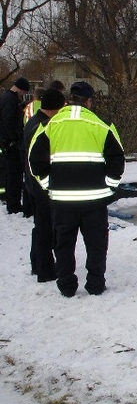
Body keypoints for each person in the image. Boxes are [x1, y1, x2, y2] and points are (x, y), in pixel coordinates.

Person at [29, 82, 125, 297]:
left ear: (68, 99)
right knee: (96, 245)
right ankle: (95, 284)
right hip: (95, 201)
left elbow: (35, 161)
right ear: (89, 101)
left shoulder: (50, 125)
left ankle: (66, 286)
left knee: (63, 244)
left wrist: (48, 187)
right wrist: (109, 188)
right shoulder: (102, 125)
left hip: (62, 201)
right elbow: (117, 160)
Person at [23, 89, 66, 282]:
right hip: (40, 185)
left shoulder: (33, 122)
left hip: (32, 183)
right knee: (46, 228)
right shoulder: (43, 126)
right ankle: (46, 270)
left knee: (40, 227)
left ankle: (37, 263)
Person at [0, 77, 30, 214]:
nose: (23, 95)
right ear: (20, 89)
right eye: (23, 92)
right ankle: (14, 205)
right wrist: (14, 139)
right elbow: (8, 122)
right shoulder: (10, 100)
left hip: (7, 142)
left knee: (12, 174)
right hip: (10, 144)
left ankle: (13, 203)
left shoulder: (7, 98)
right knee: (14, 175)